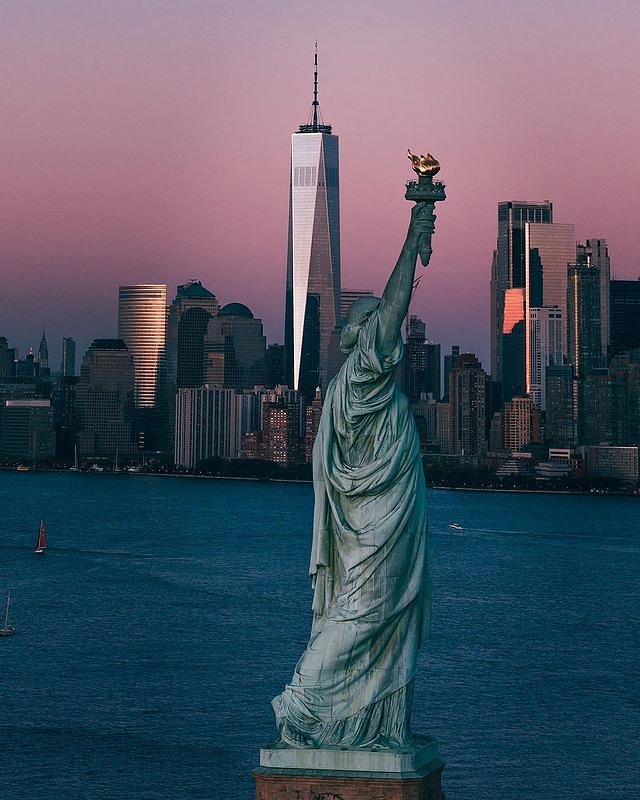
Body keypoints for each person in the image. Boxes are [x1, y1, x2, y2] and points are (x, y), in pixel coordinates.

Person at [272, 202, 434, 750]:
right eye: (382, 331)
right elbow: (395, 306)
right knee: (362, 615)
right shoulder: (364, 375)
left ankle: (368, 724)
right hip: (372, 530)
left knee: (377, 620)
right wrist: (413, 236)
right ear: (370, 337)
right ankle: (304, 699)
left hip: (379, 525)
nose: (396, 341)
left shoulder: (357, 388)